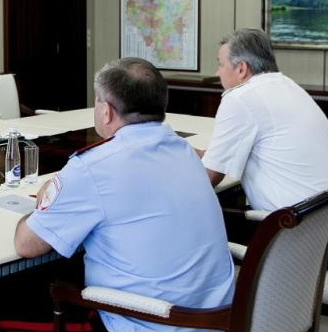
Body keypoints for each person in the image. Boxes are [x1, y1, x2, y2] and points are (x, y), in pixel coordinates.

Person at [14, 58, 234, 331]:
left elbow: (27, 245)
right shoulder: (185, 151)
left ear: (106, 111)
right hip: (218, 318)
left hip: (154, 323)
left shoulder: (91, 167)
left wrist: (44, 201)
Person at [199, 28, 328, 267]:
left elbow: (209, 179)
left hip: (306, 241)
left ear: (241, 69)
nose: (217, 72)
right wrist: (195, 154)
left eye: (220, 64)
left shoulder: (240, 98)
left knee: (195, 226)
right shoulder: (287, 86)